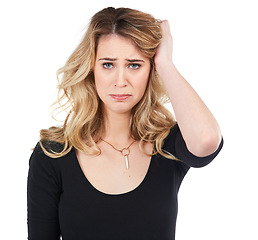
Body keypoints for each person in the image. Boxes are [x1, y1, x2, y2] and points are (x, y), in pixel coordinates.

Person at [27, 7, 223, 240]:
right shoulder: (54, 154)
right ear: (91, 68)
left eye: (134, 65)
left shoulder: (167, 145)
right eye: (108, 64)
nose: (121, 81)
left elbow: (207, 140)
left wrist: (166, 64)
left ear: (151, 70)